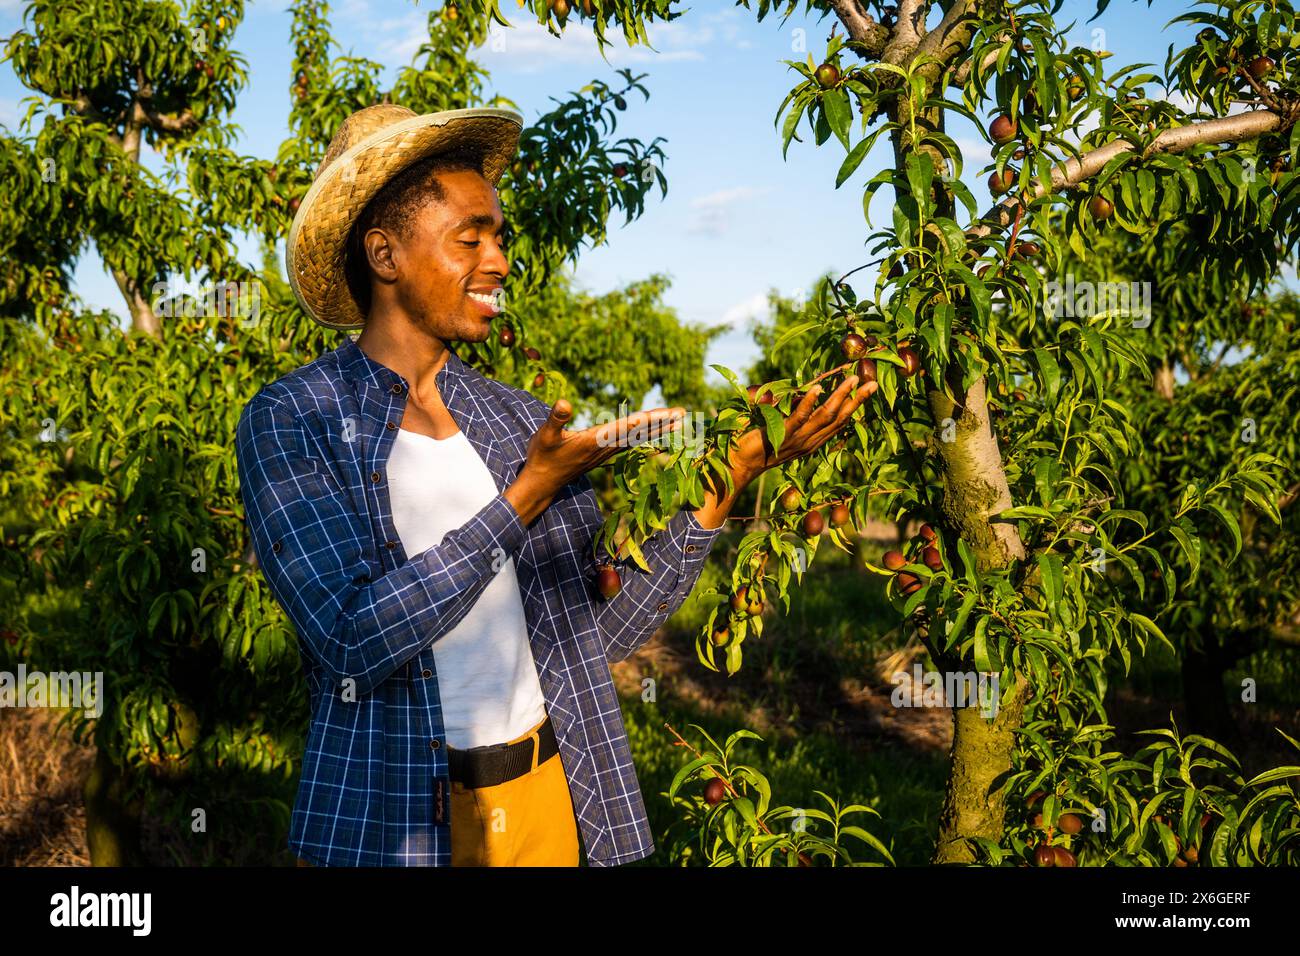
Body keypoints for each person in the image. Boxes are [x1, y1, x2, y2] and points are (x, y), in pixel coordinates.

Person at [235, 104, 876, 867]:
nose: (498, 260)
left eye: (499, 236)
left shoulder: (518, 420)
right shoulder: (294, 418)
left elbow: (589, 639)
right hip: (392, 816)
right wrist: (522, 500)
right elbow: (348, 640)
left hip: (549, 800)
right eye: (469, 237)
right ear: (385, 255)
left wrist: (726, 479)